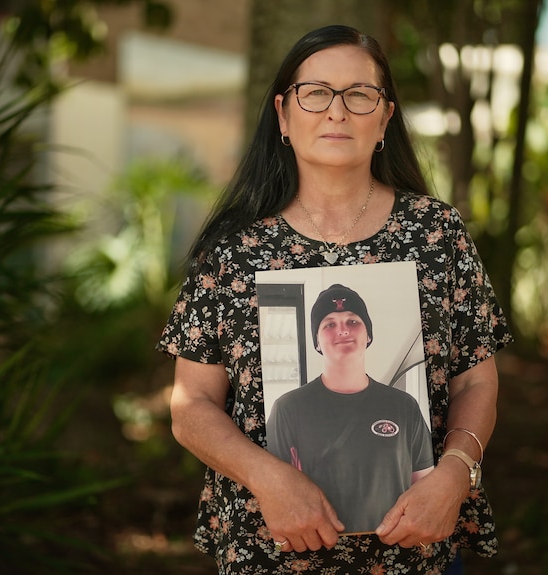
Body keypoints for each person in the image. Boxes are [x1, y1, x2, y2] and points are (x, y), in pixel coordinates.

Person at [158, 24, 513, 575]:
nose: (337, 112)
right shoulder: (234, 250)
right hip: (270, 555)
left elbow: (475, 380)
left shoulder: (438, 234)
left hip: (415, 556)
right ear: (282, 114)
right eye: (316, 92)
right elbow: (191, 406)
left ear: (385, 117)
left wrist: (455, 472)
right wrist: (269, 478)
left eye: (359, 95)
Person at [265, 283, 434, 535]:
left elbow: (424, 488)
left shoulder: (404, 405)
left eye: (353, 321)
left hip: (391, 550)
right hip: (316, 550)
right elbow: (274, 491)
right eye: (329, 324)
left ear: (368, 335)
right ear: (317, 342)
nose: (342, 330)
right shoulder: (288, 409)